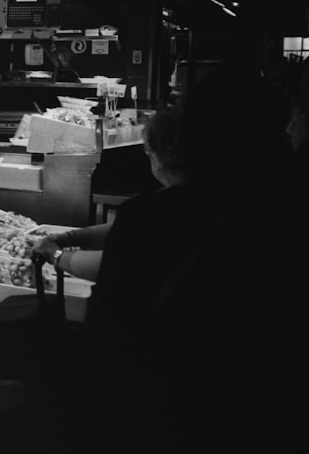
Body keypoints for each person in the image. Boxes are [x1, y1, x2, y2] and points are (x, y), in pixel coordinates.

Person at [77, 62, 301, 453]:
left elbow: (107, 341)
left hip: (168, 416)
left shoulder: (148, 218)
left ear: (195, 135)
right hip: (268, 417)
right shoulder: (288, 216)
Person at [31, 105, 186, 281]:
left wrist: (56, 255)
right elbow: (128, 227)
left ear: (158, 158)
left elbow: (114, 265)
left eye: (148, 154)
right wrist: (70, 237)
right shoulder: (206, 199)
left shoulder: (149, 208)